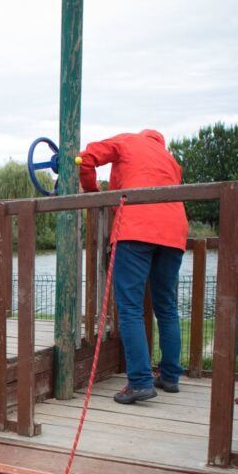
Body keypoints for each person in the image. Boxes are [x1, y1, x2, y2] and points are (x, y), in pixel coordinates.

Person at [78, 129, 187, 404]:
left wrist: (92, 192)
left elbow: (86, 157)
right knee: (166, 305)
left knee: (129, 307)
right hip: (174, 232)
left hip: (136, 228)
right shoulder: (170, 160)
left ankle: (139, 382)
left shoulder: (127, 141)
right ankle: (171, 376)